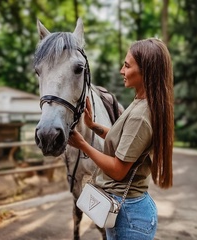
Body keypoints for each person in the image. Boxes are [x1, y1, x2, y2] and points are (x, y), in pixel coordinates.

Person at [68, 38, 174, 240]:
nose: (121, 71)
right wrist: (93, 127)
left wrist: (83, 144)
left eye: (127, 65)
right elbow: (126, 143)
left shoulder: (140, 115)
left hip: (130, 216)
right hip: (125, 210)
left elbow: (118, 170)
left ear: (146, 71)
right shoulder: (140, 101)